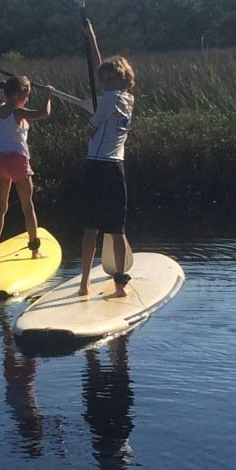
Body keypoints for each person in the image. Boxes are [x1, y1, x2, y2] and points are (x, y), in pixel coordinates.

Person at [78, 20, 136, 297]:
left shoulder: (109, 100)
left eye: (110, 78)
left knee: (94, 227)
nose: (104, 81)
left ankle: (84, 283)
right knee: (116, 228)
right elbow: (101, 72)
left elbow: (89, 132)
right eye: (105, 78)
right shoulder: (127, 99)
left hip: (98, 167)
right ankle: (119, 286)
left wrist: (92, 114)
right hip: (116, 168)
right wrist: (92, 37)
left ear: (121, 79)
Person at [0, 75, 53, 259]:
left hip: (2, 162)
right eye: (25, 96)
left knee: (0, 207)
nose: (27, 100)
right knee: (28, 207)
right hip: (18, 161)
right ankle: (35, 250)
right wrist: (48, 95)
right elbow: (44, 113)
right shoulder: (18, 112)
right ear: (16, 95)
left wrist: (19, 86)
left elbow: (7, 101)